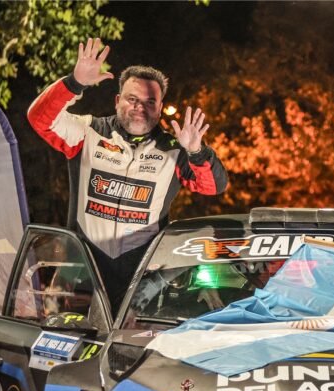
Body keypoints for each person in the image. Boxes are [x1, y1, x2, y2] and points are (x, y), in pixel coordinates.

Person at [28, 38, 228, 315]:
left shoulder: (174, 149)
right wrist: (74, 83)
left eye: (149, 101)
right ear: (117, 100)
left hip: (142, 282)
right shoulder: (89, 132)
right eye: (132, 99)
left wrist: (196, 152)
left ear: (160, 107)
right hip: (81, 273)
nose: (139, 107)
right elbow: (39, 118)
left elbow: (214, 186)